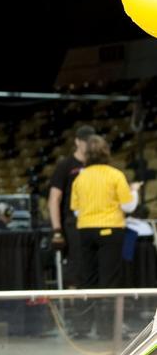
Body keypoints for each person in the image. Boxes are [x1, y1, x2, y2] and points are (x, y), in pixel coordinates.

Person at [70, 134, 140, 337]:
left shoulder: (80, 177)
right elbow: (128, 206)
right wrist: (134, 191)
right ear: (106, 152)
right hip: (110, 230)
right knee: (109, 280)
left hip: (85, 230)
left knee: (88, 278)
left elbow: (75, 210)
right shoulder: (115, 175)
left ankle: (82, 328)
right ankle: (107, 329)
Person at [48, 125, 95, 286]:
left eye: (91, 141)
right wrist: (56, 230)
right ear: (77, 142)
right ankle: (73, 302)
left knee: (93, 262)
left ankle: (95, 302)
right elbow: (55, 198)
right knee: (76, 261)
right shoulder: (65, 165)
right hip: (73, 220)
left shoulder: (96, 164)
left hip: (94, 219)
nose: (88, 144)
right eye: (85, 141)